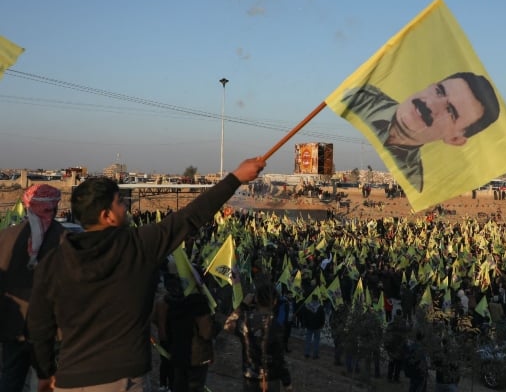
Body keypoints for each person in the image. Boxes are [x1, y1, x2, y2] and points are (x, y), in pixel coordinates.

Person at [27, 157, 265, 391]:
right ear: (106, 215)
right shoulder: (139, 246)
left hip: (71, 378)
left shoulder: (53, 262)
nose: (126, 207)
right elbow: (192, 216)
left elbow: (39, 325)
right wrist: (235, 178)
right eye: (120, 202)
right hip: (126, 379)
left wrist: (45, 372)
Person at [342, 72, 500, 192]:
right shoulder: (361, 99)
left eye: (450, 111)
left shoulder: (413, 181)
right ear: (431, 85)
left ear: (455, 139)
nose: (430, 104)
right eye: (439, 91)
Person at [0, 184, 63, 392]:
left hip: (14, 326)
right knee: (45, 381)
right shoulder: (66, 239)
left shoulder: (6, 237)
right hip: (49, 329)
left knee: (12, 379)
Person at [224, 282, 292, 392]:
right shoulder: (275, 325)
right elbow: (279, 358)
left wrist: (243, 305)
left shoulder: (246, 321)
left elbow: (227, 325)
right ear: (274, 302)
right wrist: (287, 382)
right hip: (270, 379)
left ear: (256, 299)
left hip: (250, 377)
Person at [300, 294, 325, 359]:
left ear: (312, 299)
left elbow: (304, 316)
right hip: (317, 326)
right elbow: (323, 317)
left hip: (309, 326)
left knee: (308, 340)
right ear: (317, 299)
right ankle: (315, 355)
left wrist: (304, 324)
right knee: (316, 341)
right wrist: (322, 324)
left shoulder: (307, 306)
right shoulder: (320, 307)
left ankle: (307, 353)